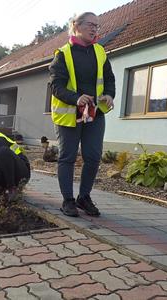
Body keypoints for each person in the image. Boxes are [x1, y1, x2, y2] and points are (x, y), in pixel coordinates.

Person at [49, 12, 116, 217]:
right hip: (70, 112)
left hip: (94, 113)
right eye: (90, 24)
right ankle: (68, 200)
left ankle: (83, 197)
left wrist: (110, 95)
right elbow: (56, 86)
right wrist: (76, 98)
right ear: (76, 26)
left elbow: (109, 79)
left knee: (93, 156)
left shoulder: (100, 52)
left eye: (97, 25)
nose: (95, 28)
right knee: (67, 157)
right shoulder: (63, 53)